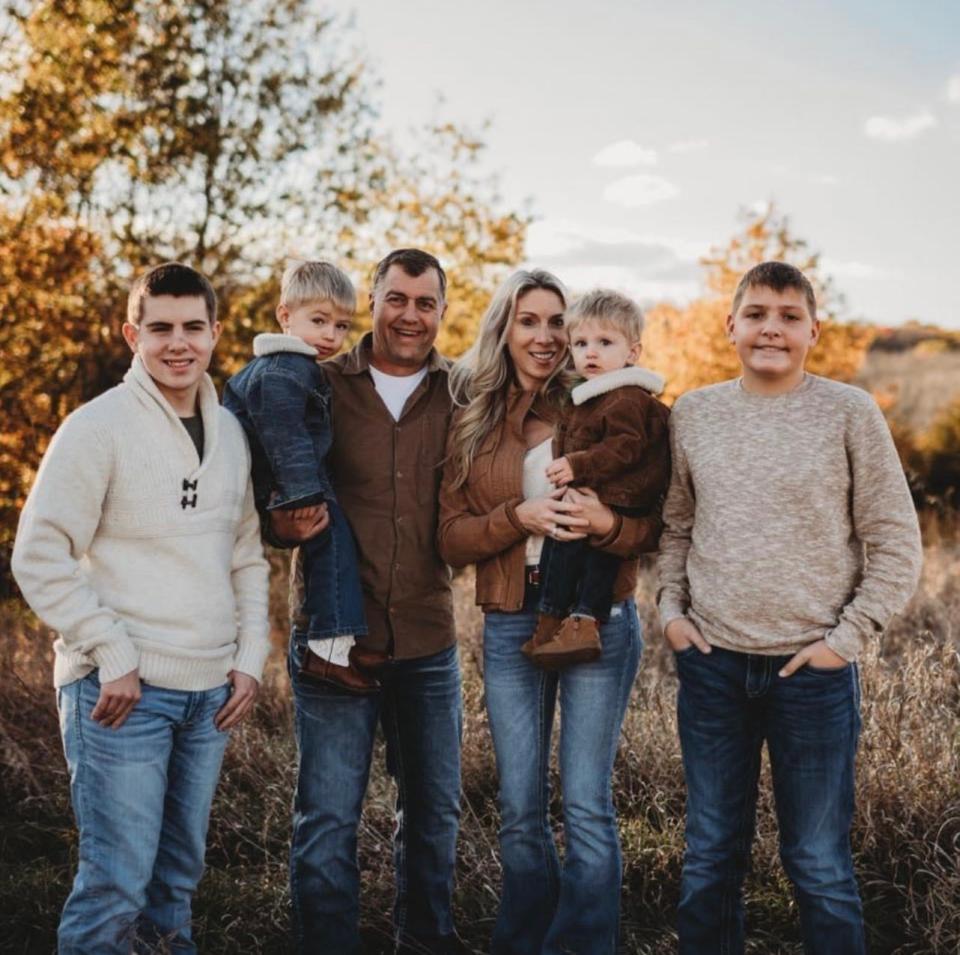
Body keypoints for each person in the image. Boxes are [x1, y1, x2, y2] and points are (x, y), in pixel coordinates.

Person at [656, 261, 923, 954]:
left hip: (814, 672)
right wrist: (669, 610)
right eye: (756, 313)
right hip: (712, 665)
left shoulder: (848, 411)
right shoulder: (694, 412)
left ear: (812, 329)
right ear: (732, 324)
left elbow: (895, 540)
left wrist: (847, 638)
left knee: (819, 864)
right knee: (711, 856)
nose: (770, 326)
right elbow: (676, 526)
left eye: (787, 315)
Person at [12, 262, 270, 954]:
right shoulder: (96, 427)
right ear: (133, 333)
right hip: (120, 693)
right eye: (161, 328)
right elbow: (38, 553)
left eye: (193, 326)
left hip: (209, 692)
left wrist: (248, 658)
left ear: (216, 332)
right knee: (116, 885)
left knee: (174, 884)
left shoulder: (232, 434)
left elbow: (245, 552)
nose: (177, 342)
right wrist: (110, 650)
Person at [437, 269, 666, 955]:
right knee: (519, 807)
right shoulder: (473, 416)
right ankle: (521, 941)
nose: (546, 336)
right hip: (511, 617)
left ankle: (582, 944)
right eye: (527, 320)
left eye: (555, 321)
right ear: (502, 328)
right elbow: (450, 536)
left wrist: (603, 522)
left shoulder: (609, 402)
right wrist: (517, 515)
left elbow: (655, 525)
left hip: (599, 617)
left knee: (588, 802)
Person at [271, 249, 462, 954]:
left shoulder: (461, 391)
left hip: (427, 637)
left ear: (441, 309)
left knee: (435, 812)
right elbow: (272, 484)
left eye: (425, 302)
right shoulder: (315, 382)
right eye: (397, 298)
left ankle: (426, 938)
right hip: (331, 641)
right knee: (326, 817)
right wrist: (277, 522)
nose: (410, 315)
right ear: (374, 301)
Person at [224, 260, 375, 693]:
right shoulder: (283, 371)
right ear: (285, 316)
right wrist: (304, 494)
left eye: (342, 326)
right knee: (332, 551)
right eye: (319, 321)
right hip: (290, 483)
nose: (331, 336)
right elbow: (284, 435)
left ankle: (339, 643)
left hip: (298, 479)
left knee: (338, 551)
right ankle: (326, 651)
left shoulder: (297, 365)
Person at [523, 289, 670, 668]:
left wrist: (577, 465)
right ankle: (552, 621)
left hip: (620, 495)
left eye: (605, 342)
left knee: (596, 563)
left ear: (632, 353)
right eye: (581, 343)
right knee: (564, 549)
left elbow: (627, 448)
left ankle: (583, 622)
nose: (591, 352)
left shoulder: (626, 398)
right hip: (593, 492)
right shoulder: (591, 396)